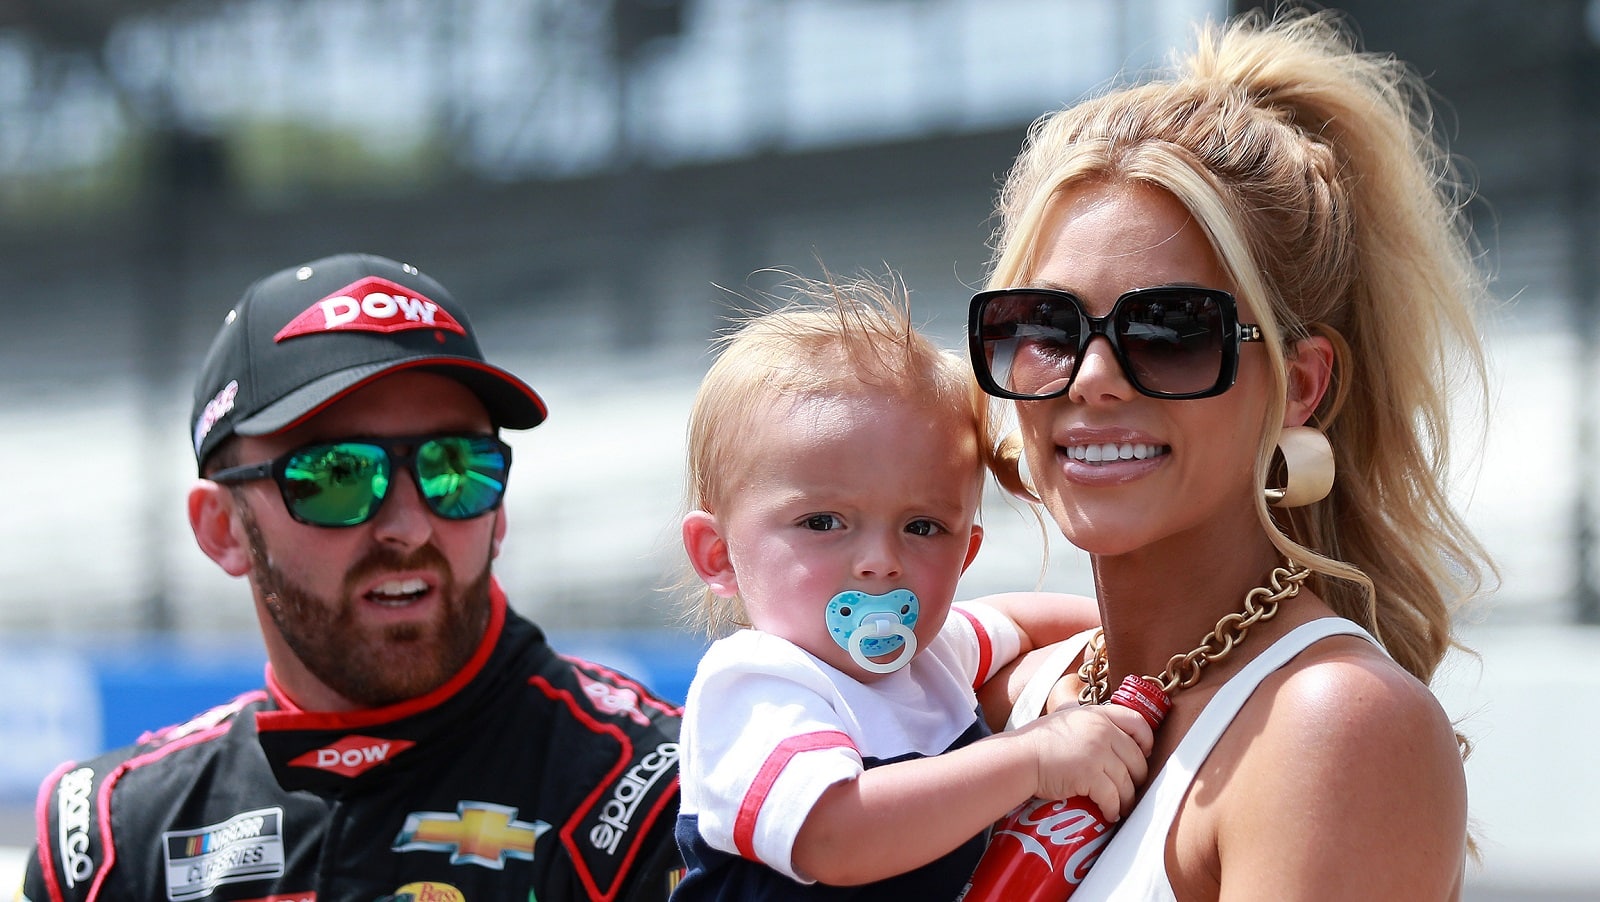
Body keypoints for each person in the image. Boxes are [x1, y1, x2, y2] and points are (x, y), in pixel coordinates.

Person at [967, 8, 1495, 899]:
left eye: (1170, 330)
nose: (1093, 378)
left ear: (1300, 386)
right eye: (1047, 327)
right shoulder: (1004, 687)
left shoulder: (1332, 726)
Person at [21, 253, 685, 901]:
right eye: (338, 475)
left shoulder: (658, 799)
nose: (411, 526)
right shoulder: (116, 842)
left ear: (500, 509)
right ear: (222, 529)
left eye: (454, 467)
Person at [668, 273, 1153, 900]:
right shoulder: (756, 683)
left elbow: (1022, 621)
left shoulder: (932, 655)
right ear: (720, 555)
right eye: (823, 523)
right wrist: (1036, 756)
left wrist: (1145, 641)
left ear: (965, 553)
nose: (880, 561)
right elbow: (837, 837)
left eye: (922, 527)